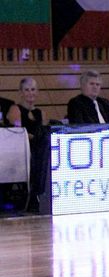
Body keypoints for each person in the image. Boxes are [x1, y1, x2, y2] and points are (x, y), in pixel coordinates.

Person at [6, 77, 51, 212]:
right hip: (21, 150)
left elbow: (44, 133)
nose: (30, 93)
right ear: (21, 92)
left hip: (38, 149)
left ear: (37, 92)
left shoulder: (41, 113)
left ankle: (42, 195)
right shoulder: (15, 110)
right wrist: (34, 138)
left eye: (33, 89)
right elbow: (18, 132)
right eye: (27, 90)